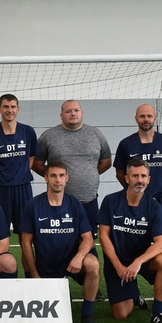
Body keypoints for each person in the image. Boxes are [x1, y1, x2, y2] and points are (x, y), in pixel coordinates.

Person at [18, 161, 101, 323]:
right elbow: (25, 242)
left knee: (93, 264)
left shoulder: (75, 204)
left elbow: (88, 238)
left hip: (71, 262)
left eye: (61, 176)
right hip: (45, 265)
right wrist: (34, 273)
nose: (58, 180)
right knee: (46, 318)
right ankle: (51, 289)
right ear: (46, 178)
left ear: (67, 178)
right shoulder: (33, 205)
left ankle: (87, 314)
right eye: (53, 176)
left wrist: (79, 257)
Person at [98, 158, 162, 323]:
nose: (139, 180)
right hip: (118, 261)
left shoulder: (154, 207)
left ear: (149, 179)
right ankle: (134, 293)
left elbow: (161, 243)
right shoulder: (110, 201)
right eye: (135, 176)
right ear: (126, 178)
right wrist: (117, 265)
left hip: (142, 260)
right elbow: (103, 236)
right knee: (121, 315)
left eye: (143, 176)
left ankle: (158, 313)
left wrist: (138, 262)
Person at [34, 99, 112, 235]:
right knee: (61, 242)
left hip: (89, 200)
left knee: (88, 242)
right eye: (68, 111)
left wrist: (89, 174)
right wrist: (55, 178)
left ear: (82, 113)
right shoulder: (48, 136)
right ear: (61, 115)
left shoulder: (96, 134)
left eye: (76, 110)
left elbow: (106, 162)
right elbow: (36, 163)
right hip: (59, 202)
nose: (72, 114)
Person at [0, 94, 38, 233]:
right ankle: (1, 256)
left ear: (18, 109)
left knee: (26, 230)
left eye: (13, 107)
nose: (9, 110)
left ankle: (27, 256)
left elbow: (31, 157)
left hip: (23, 187)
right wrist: (2, 176)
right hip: (0, 188)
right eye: (6, 107)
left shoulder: (28, 131)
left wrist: (21, 173)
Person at [114, 104, 162, 207]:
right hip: (134, 200)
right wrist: (135, 188)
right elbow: (120, 174)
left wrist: (159, 185)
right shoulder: (125, 144)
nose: (146, 119)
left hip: (161, 201)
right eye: (142, 116)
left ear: (155, 118)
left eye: (149, 116)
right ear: (136, 119)